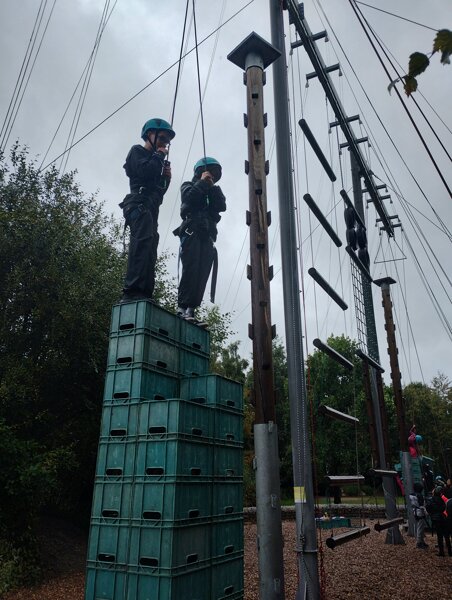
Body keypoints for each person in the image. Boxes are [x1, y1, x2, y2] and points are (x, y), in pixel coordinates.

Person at [119, 118, 175, 303]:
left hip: (150, 208)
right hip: (137, 204)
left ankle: (144, 293)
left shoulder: (157, 162)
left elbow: (159, 194)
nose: (164, 142)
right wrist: (159, 156)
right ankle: (131, 292)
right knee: (141, 244)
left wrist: (166, 180)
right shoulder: (137, 151)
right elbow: (143, 172)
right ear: (149, 135)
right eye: (162, 137)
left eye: (167, 140)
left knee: (150, 249)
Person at [173, 157, 226, 321]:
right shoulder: (188, 186)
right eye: (210, 172)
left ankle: (191, 309)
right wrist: (202, 183)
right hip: (192, 232)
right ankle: (181, 307)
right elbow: (188, 199)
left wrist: (212, 188)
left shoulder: (213, 191)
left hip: (208, 235)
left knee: (202, 273)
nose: (212, 177)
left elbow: (221, 206)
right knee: (191, 269)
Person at [426, 486, 452, 556]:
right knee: (446, 535)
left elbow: (428, 508)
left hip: (436, 519)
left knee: (439, 536)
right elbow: (445, 507)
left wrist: (432, 514)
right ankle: (450, 552)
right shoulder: (443, 499)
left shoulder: (431, 500)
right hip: (443, 518)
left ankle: (442, 552)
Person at [409, 482, 428, 549]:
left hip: (415, 512)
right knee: (420, 528)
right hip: (420, 512)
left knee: (420, 528)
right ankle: (419, 543)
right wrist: (426, 512)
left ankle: (421, 541)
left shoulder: (411, 495)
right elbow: (422, 505)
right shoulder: (419, 495)